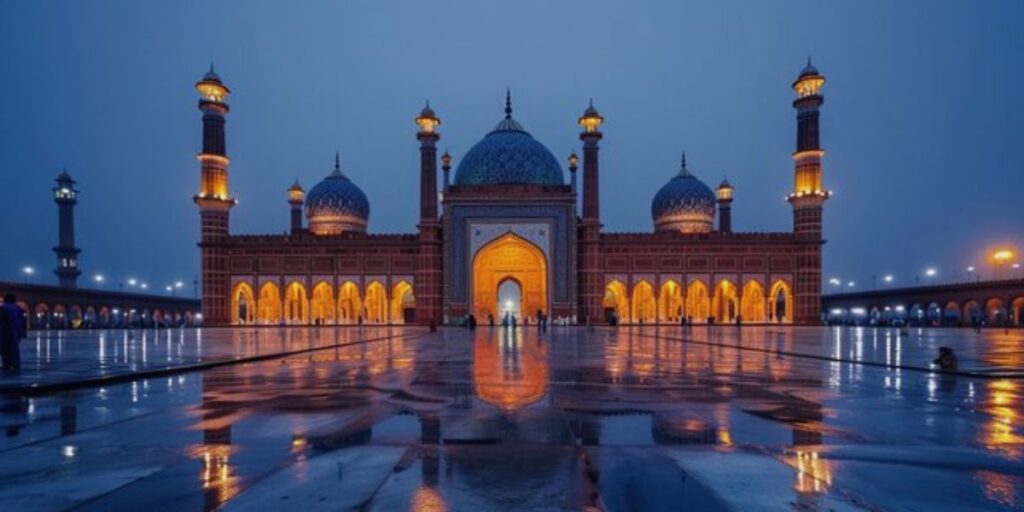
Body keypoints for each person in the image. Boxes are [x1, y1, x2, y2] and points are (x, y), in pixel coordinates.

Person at [0, 294, 27, 371]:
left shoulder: (3, 307)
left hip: (4, 329)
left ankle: (7, 363)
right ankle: (15, 363)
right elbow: (23, 320)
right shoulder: (18, 308)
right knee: (14, 348)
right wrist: (23, 332)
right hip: (16, 329)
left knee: (4, 348)